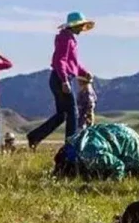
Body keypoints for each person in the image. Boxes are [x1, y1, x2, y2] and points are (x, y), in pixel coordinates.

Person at [27, 12, 94, 149]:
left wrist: (84, 72)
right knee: (72, 113)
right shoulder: (65, 39)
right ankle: (71, 146)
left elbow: (72, 63)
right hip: (61, 78)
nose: (82, 28)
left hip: (60, 77)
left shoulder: (69, 38)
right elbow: (60, 60)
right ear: (75, 25)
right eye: (81, 25)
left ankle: (35, 136)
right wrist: (64, 81)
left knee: (62, 114)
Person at [53, 123, 139, 180]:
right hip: (114, 132)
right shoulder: (71, 146)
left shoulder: (90, 156)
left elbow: (118, 166)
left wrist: (111, 183)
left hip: (125, 140)